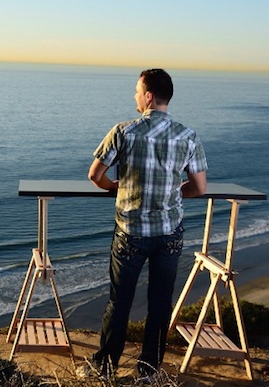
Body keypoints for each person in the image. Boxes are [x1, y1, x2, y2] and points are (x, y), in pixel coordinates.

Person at [87, 69, 208, 379]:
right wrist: (176, 190)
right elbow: (199, 188)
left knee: (120, 300)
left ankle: (106, 369)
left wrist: (115, 187)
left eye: (137, 91)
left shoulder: (124, 131)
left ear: (149, 96)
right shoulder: (187, 135)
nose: (134, 96)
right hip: (169, 233)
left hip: (131, 232)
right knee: (159, 303)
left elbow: (95, 175)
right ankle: (149, 371)